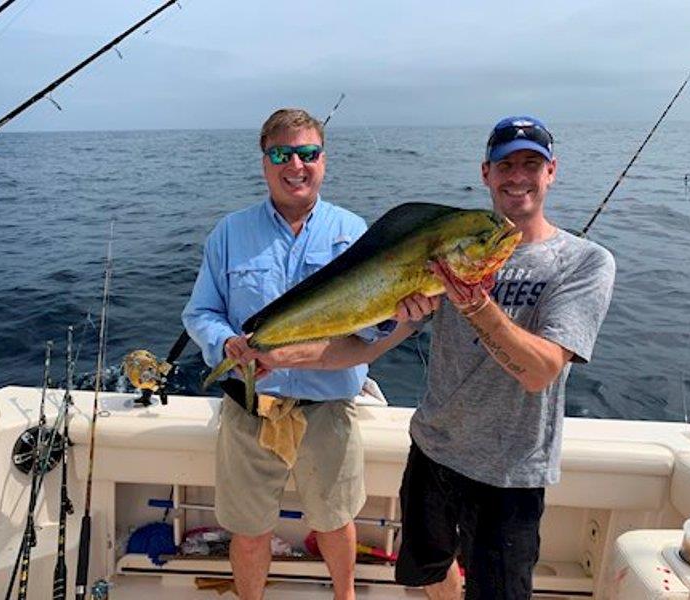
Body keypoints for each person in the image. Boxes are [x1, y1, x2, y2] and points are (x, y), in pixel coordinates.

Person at [248, 115, 616, 599]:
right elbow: (369, 345)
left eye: (532, 164)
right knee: (427, 575)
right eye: (506, 165)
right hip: (432, 452)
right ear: (486, 173)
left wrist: (475, 303)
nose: (518, 176)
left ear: (552, 171)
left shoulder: (585, 262)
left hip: (509, 471)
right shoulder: (449, 252)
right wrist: (279, 355)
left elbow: (541, 371)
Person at [182, 108, 390, 600]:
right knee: (249, 529)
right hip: (253, 408)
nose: (295, 165)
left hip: (329, 407)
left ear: (323, 161)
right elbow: (200, 313)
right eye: (281, 154)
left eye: (308, 153)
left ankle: (346, 597)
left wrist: (396, 314)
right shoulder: (230, 234)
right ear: (264, 163)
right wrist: (224, 343)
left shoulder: (353, 231)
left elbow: (375, 324)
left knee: (336, 522)